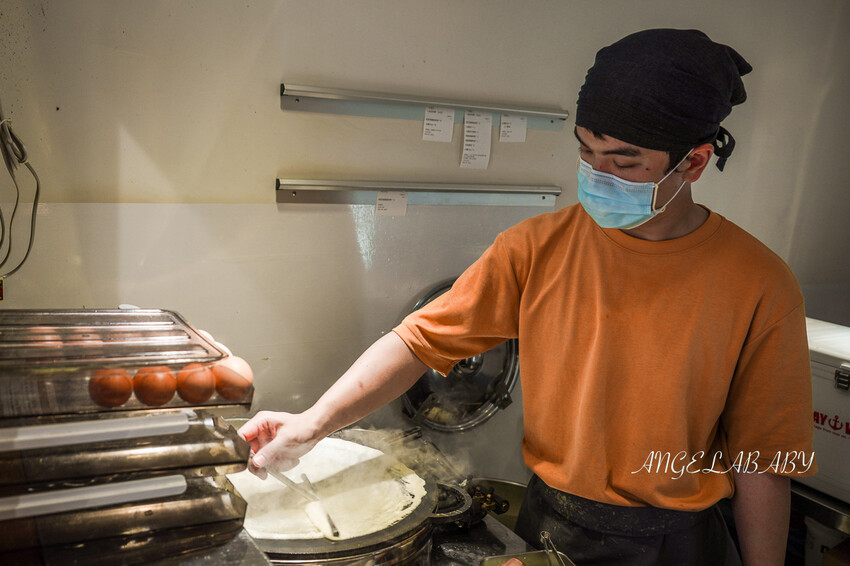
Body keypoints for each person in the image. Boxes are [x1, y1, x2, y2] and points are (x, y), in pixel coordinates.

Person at [239, 29, 816, 565]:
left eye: (623, 161)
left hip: (678, 543)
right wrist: (312, 424)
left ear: (693, 162)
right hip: (551, 526)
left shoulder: (757, 283)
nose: (597, 173)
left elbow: (764, 461)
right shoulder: (537, 248)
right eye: (587, 150)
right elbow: (419, 341)